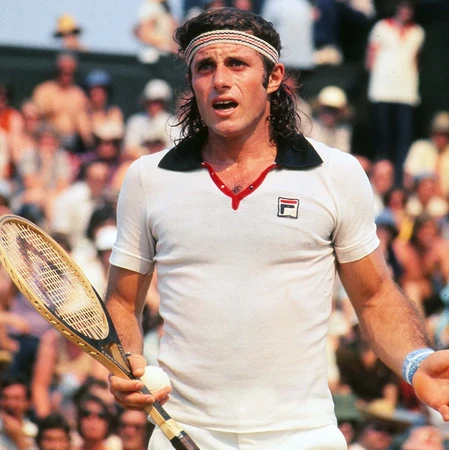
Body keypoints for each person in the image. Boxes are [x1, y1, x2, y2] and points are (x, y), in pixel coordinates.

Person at [106, 7, 449, 450]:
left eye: (237, 64)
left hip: (304, 435)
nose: (220, 80)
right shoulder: (146, 178)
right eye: (205, 67)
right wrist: (126, 363)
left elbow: (374, 296)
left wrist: (416, 361)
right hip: (183, 431)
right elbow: (122, 300)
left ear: (273, 77)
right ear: (191, 82)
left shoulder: (336, 173)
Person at [366, 0, 425, 184]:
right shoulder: (382, 27)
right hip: (382, 89)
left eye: (409, 9)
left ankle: (398, 180)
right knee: (383, 136)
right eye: (403, 7)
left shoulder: (417, 32)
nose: (405, 12)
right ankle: (380, 176)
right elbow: (371, 55)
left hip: (406, 92)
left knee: (402, 138)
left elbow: (415, 59)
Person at [0, 375, 38, 450]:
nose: (11, 404)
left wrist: (19, 439)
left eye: (17, 399)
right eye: (6, 398)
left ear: (28, 402)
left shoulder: (34, 431)